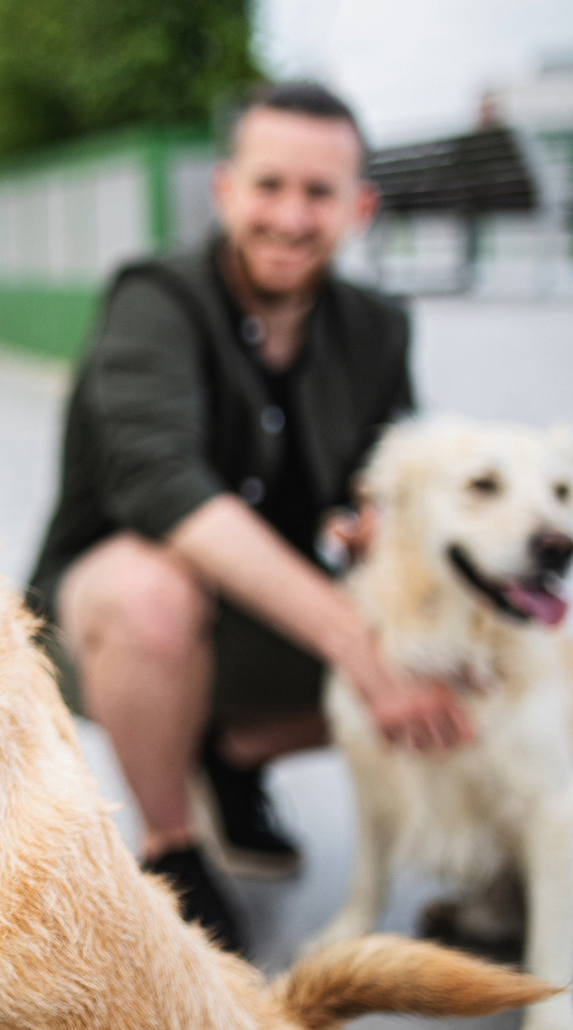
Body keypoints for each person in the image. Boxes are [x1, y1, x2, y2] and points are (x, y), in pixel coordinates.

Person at [27, 82, 470, 955]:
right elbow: (163, 488)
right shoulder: (154, 298)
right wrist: (360, 647)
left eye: (319, 192)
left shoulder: (377, 328)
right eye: (270, 186)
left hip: (264, 619)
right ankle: (172, 847)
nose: (291, 216)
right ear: (227, 190)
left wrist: (367, 517)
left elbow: (389, 474)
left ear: (361, 208)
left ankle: (234, 758)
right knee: (152, 591)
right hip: (110, 625)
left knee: (470, 649)